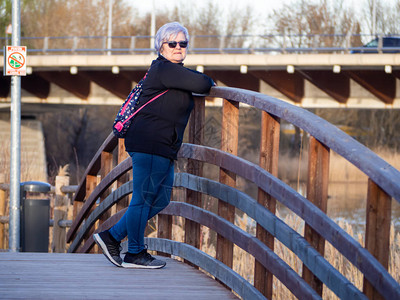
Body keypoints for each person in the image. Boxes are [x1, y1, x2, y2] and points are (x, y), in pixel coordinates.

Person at [93, 22, 215, 269]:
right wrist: (202, 78)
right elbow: (203, 83)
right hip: (150, 143)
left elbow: (198, 82)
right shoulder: (163, 69)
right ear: (161, 46)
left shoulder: (174, 73)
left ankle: (112, 237)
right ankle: (135, 253)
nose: (178, 47)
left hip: (163, 146)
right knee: (143, 198)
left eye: (183, 43)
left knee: (160, 199)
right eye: (173, 43)